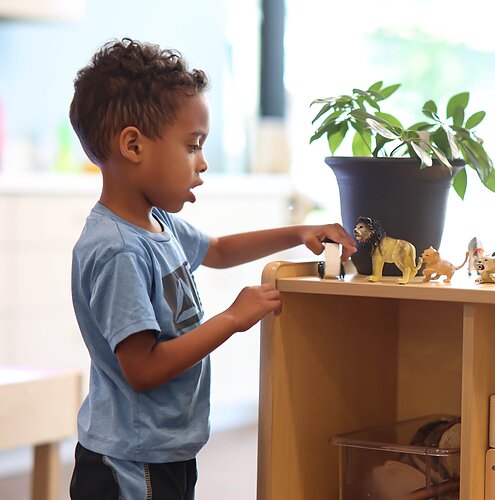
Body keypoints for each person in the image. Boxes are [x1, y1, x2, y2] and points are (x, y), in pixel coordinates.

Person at [67, 38, 356, 500]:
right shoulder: (118, 249)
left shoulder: (156, 223)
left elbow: (218, 250)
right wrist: (232, 318)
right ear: (133, 145)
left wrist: (298, 232)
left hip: (165, 448)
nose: (202, 163)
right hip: (131, 461)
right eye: (192, 146)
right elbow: (143, 368)